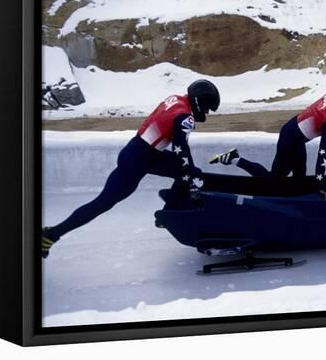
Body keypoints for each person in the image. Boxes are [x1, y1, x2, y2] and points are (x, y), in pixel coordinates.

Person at [42, 79, 220, 258]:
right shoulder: (185, 117)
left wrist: (188, 176)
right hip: (140, 160)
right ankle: (52, 234)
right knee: (102, 203)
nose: (205, 112)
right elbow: (181, 151)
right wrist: (191, 186)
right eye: (206, 108)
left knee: (189, 171)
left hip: (137, 151)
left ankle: (165, 216)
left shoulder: (175, 99)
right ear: (199, 101)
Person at [210, 87, 326, 201]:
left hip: (294, 132)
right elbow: (323, 154)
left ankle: (296, 206)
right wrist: (320, 183)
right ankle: (235, 158)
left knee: (299, 179)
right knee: (273, 181)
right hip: (291, 140)